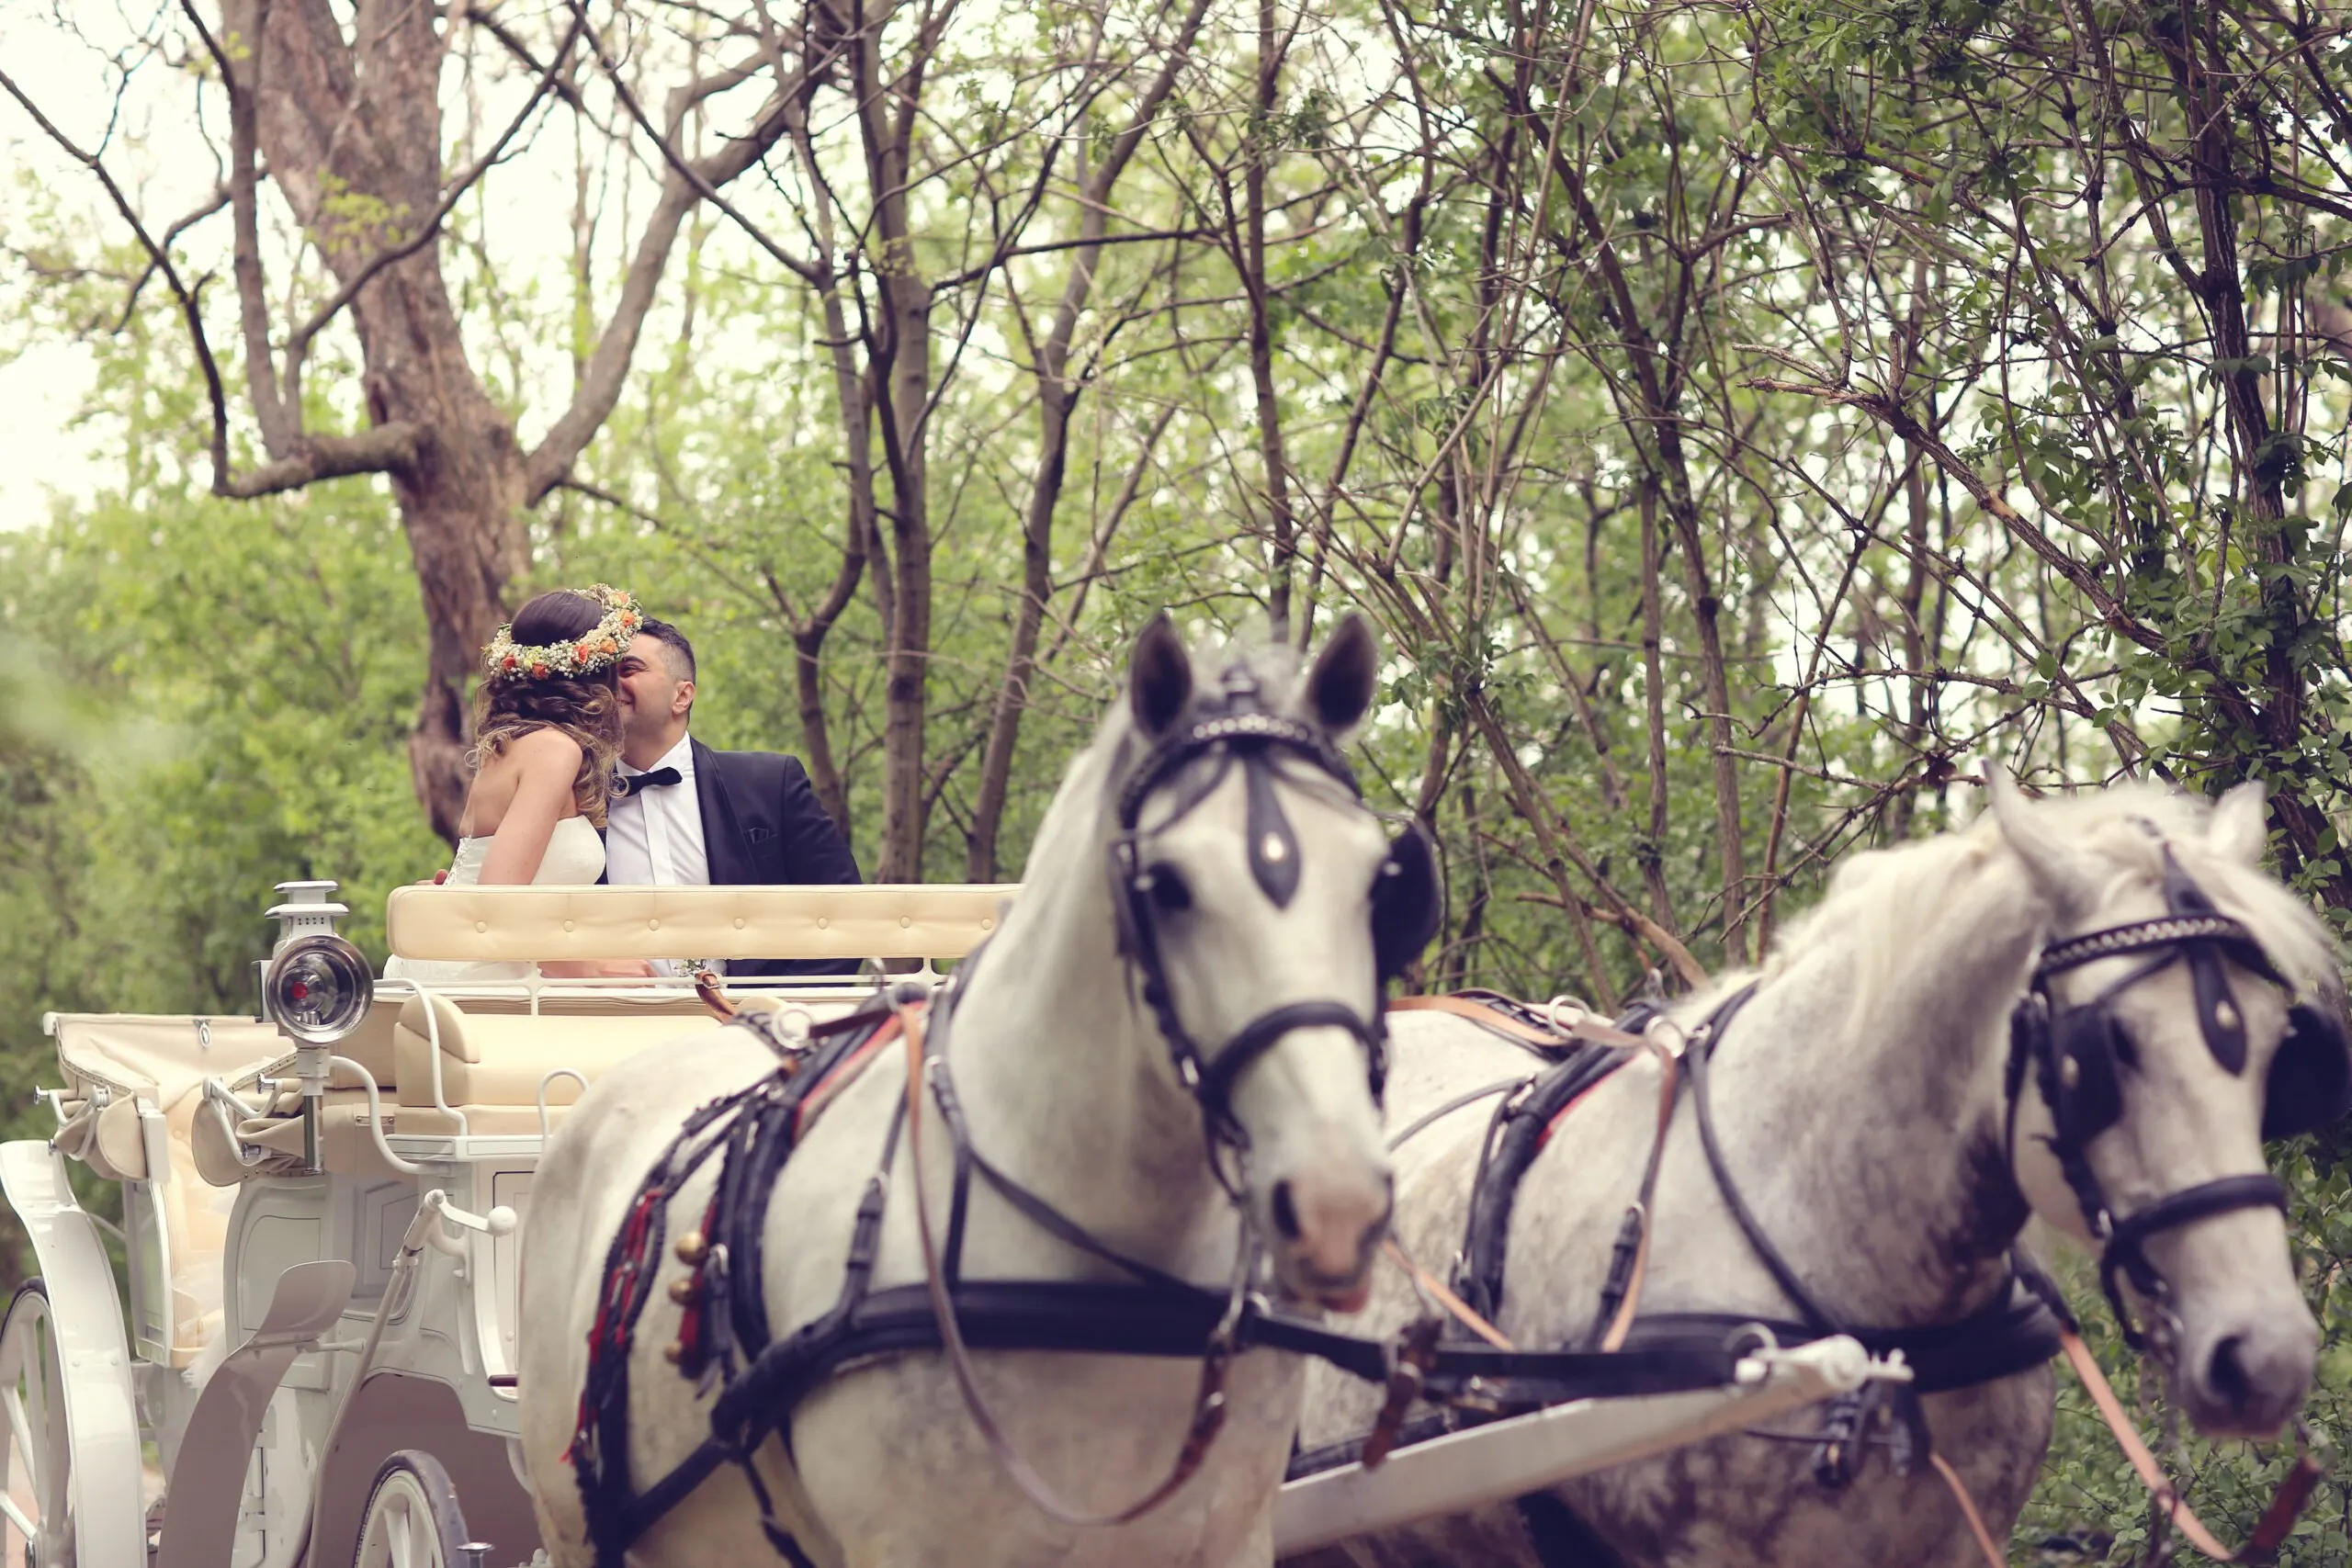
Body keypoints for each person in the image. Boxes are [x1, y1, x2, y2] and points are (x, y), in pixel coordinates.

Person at [386, 586, 656, 984]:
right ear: (596, 674)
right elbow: (499, 906)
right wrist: (596, 970)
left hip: (474, 957)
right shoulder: (554, 751)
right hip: (483, 975)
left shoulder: (513, 746)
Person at [605, 616, 864, 976]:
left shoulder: (772, 783)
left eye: (629, 668)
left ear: (682, 695)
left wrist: (767, 1016)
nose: (609, 683)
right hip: (610, 1020)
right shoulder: (571, 798)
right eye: (602, 672)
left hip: (751, 1021)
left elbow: (847, 915)